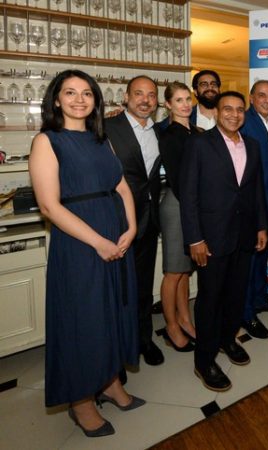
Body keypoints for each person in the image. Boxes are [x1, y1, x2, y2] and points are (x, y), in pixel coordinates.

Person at [29, 69, 144, 437]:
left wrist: (131, 228)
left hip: (116, 234)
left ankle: (109, 382)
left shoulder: (101, 138)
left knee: (113, 311)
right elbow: (49, 206)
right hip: (80, 242)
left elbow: (121, 186)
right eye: (70, 92)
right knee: (83, 318)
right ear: (56, 99)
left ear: (96, 100)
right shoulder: (47, 141)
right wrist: (98, 242)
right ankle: (80, 400)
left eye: (87, 93)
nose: (79, 99)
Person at [180, 91, 268, 391]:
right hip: (211, 237)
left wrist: (261, 226)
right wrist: (195, 238)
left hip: (244, 234)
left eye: (240, 110)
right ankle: (204, 360)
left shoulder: (252, 145)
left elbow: (255, 190)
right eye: (227, 109)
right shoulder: (199, 144)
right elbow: (188, 195)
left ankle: (227, 339)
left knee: (235, 294)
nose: (234, 114)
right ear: (216, 113)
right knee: (210, 299)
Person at [105, 76, 163, 366]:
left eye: (151, 95)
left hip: (149, 220)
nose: (145, 100)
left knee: (143, 286)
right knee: (115, 288)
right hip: (116, 221)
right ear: (126, 97)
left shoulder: (160, 131)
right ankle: (115, 351)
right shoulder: (106, 127)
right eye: (138, 94)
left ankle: (143, 339)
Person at [240, 79, 268, 339]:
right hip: (253, 204)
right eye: (261, 95)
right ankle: (246, 313)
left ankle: (259, 298)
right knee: (248, 262)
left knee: (262, 255)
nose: (267, 100)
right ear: (251, 98)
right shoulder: (244, 122)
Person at [158, 81, 198, 352]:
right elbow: (178, 178)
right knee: (173, 271)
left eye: (188, 99)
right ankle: (171, 326)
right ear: (168, 105)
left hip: (191, 205)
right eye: (179, 100)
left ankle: (185, 320)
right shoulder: (171, 135)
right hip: (178, 205)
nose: (185, 105)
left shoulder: (195, 131)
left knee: (184, 270)